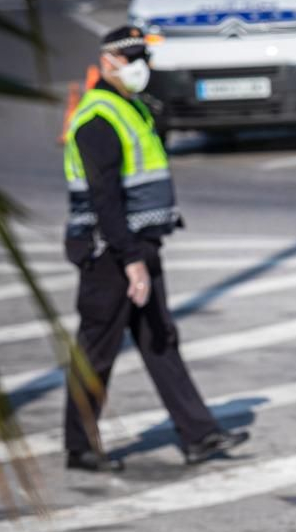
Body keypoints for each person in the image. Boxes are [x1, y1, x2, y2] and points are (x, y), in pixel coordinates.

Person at [61, 26, 249, 472]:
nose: (142, 65)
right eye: (133, 58)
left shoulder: (130, 107)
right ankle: (80, 446)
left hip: (139, 243)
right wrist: (131, 262)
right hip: (110, 252)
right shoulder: (98, 118)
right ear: (108, 63)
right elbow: (105, 200)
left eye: (144, 56)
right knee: (98, 348)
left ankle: (198, 435)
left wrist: (140, 255)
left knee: (159, 339)